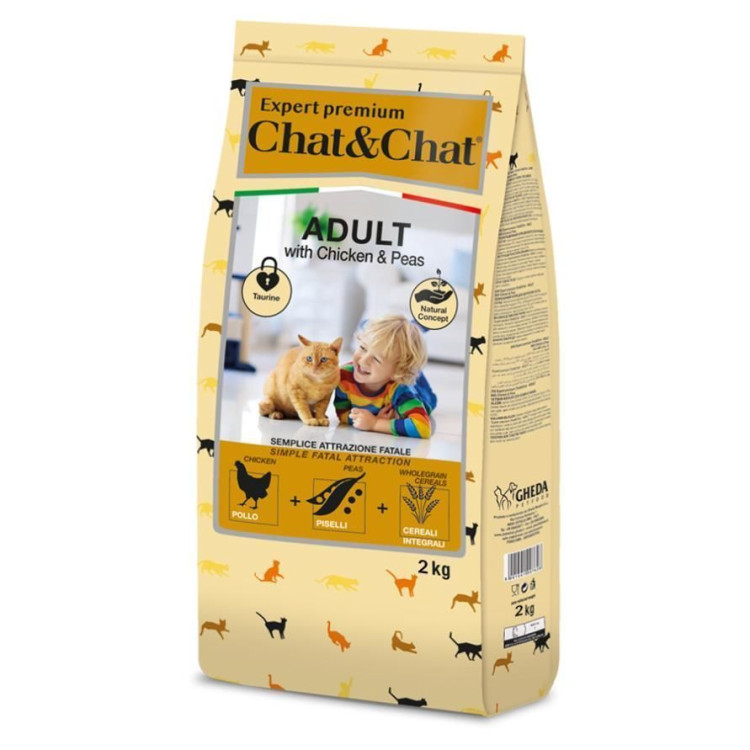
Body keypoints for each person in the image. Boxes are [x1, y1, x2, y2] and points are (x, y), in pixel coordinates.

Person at [334, 314, 436, 439]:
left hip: (416, 388)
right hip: (394, 374)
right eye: (363, 348)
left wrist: (376, 424)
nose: (363, 360)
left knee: (428, 398)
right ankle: (413, 327)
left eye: (377, 359)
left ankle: (416, 328)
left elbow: (422, 427)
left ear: (397, 371)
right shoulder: (344, 376)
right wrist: (373, 418)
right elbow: (342, 414)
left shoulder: (401, 391)